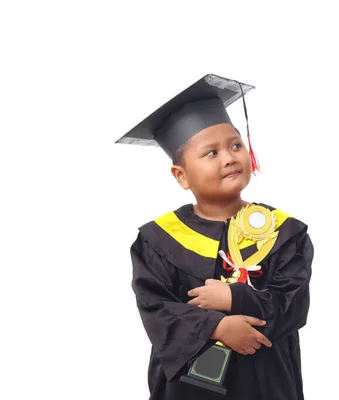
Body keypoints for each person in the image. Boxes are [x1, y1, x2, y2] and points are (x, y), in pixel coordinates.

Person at [115, 74, 314, 400]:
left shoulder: (284, 232)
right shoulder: (158, 241)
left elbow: (293, 306)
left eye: (236, 145)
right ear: (181, 176)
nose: (229, 157)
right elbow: (156, 309)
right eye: (211, 153)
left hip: (265, 382)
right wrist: (216, 327)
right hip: (188, 389)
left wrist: (234, 298)